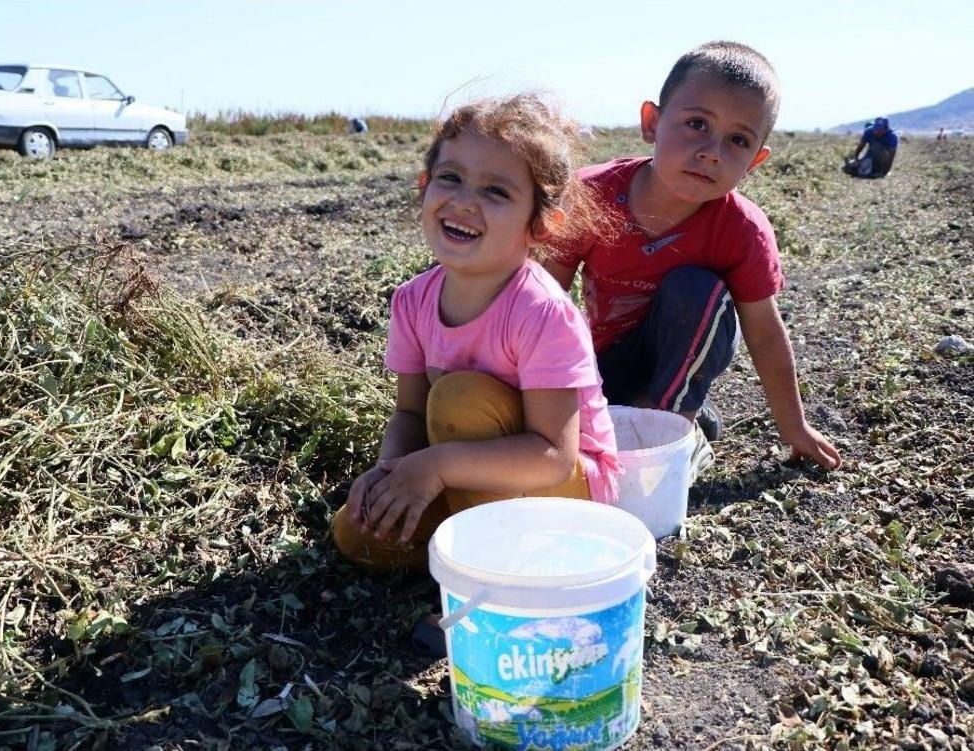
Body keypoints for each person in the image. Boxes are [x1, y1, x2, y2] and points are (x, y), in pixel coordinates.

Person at [333, 94, 622, 575]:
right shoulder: (411, 301)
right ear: (424, 188)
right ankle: (471, 543)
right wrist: (391, 473)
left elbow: (553, 456)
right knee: (356, 534)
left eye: (496, 191)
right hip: (474, 476)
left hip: (568, 491)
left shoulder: (542, 312)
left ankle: (493, 572)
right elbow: (408, 412)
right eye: (450, 178)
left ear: (542, 226)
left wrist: (438, 466)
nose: (464, 201)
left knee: (460, 398)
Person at [543, 40, 842, 477]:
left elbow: (764, 333)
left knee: (695, 289)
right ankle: (666, 414)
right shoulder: (592, 196)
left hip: (676, 366)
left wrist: (793, 427)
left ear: (755, 161)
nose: (712, 152)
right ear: (652, 122)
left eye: (737, 140)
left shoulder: (740, 230)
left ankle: (676, 431)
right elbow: (542, 294)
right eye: (697, 123)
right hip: (597, 365)